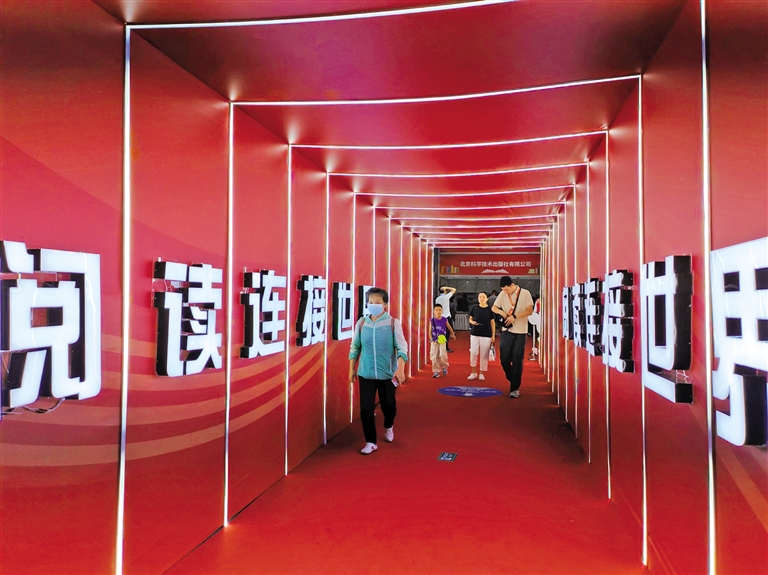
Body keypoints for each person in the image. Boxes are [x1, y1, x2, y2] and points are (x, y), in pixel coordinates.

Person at [349, 287, 408, 455]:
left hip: (387, 373)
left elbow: (402, 348)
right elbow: (355, 346)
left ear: (385, 305)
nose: (373, 305)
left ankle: (388, 425)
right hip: (365, 372)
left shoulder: (392, 323)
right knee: (366, 409)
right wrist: (352, 368)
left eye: (377, 302)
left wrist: (400, 369)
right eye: (370, 302)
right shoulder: (362, 323)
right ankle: (370, 442)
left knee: (388, 406)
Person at [492, 276, 534, 398]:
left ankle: (514, 388)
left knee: (517, 358)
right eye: (503, 290)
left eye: (506, 289)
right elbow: (494, 307)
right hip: (507, 330)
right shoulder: (502, 294)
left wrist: (515, 317)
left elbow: (529, 311)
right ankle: (512, 377)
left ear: (512, 285)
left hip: (521, 331)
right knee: (504, 357)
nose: (505, 292)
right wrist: (502, 313)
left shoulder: (525, 293)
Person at [467, 291, 496, 381]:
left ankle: (481, 373)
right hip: (474, 333)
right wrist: (472, 322)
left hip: (486, 334)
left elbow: (492, 322)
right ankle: (473, 372)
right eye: (480, 297)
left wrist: (493, 335)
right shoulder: (474, 308)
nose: (481, 299)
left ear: (487, 299)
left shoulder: (490, 309)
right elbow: (470, 319)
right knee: (473, 352)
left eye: (483, 297)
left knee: (484, 355)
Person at [429, 303, 455, 378]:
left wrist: (452, 334)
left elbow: (449, 327)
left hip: (442, 340)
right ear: (434, 311)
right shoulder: (432, 320)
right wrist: (431, 339)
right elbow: (429, 331)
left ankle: (444, 367)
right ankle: (436, 371)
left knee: (443, 354)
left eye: (439, 310)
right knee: (434, 355)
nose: (438, 312)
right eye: (436, 310)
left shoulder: (444, 319)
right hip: (434, 340)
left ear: (442, 311)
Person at [435, 285, 456, 352]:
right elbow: (454, 289)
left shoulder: (437, 299)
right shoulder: (446, 297)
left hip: (439, 317)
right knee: (447, 333)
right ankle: (445, 348)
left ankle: (440, 347)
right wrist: (447, 287)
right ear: (444, 290)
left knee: (441, 333)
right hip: (446, 317)